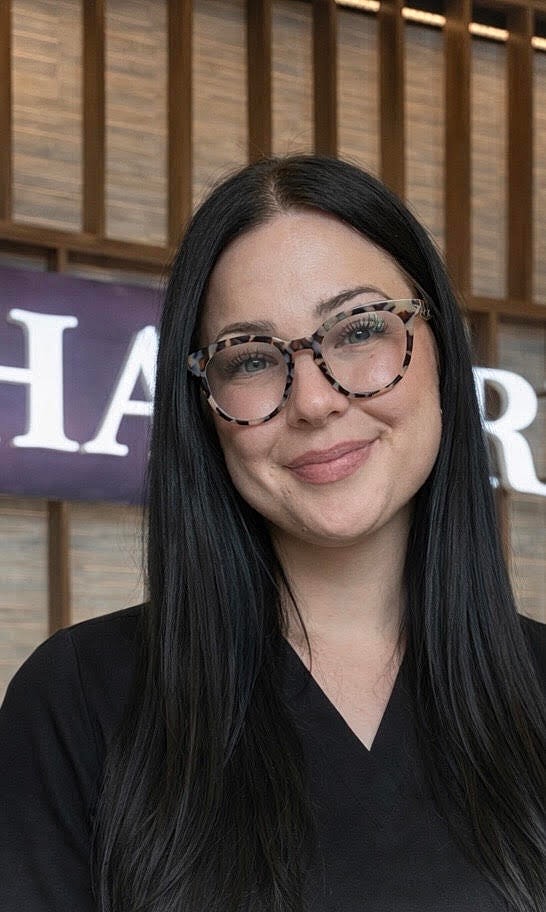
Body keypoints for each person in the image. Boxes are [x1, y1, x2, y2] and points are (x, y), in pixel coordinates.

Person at [0, 155, 544, 912]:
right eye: (251, 358)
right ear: (205, 406)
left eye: (358, 329)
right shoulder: (80, 699)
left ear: (441, 350)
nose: (315, 401)